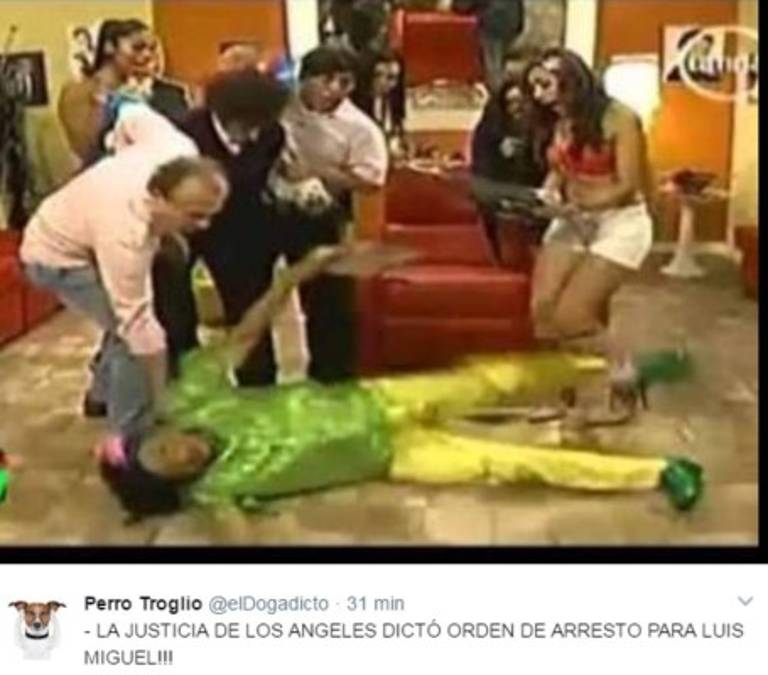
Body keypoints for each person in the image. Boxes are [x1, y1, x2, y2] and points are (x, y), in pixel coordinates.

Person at [95, 246, 703, 519]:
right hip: (392, 455)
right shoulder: (216, 489)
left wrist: (288, 281)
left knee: (493, 381)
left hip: (378, 398)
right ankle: (661, 472)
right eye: (174, 468)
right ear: (181, 485)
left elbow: (243, 337)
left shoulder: (194, 400)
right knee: (509, 462)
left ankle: (617, 368)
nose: (183, 453)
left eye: (166, 446)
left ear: (164, 429)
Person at [20, 105, 229, 452]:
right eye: (194, 216)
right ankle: (130, 438)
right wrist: (161, 401)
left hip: (80, 222)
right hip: (55, 257)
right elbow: (139, 327)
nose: (203, 226)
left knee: (122, 321)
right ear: (158, 197)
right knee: (130, 339)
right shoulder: (126, 236)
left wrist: (116, 150)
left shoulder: (177, 148)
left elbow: (131, 113)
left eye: (210, 215)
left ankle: (100, 395)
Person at [521, 48, 655, 401]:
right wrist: (547, 196)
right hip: (573, 218)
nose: (539, 95)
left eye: (545, 84)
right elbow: (559, 169)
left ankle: (624, 366)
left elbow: (628, 185)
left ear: (571, 80)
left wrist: (583, 204)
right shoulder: (557, 120)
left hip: (620, 222)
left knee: (572, 317)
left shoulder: (620, 118)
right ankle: (563, 396)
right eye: (534, 87)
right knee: (542, 311)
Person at [153, 69, 290, 382]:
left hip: (243, 228)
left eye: (260, 125)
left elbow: (255, 181)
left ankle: (258, 387)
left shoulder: (272, 133)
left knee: (251, 311)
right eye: (247, 126)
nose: (254, 135)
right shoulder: (182, 134)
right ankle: (183, 381)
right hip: (183, 228)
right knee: (173, 309)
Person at [279, 45, 389, 382]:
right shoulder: (279, 107)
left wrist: (317, 171)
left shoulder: (360, 127)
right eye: (326, 81)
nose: (335, 90)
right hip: (267, 207)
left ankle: (332, 376)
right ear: (304, 79)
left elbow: (371, 180)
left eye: (344, 82)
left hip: (321, 214)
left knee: (328, 301)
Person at [470, 71, 549, 262]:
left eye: (522, 102)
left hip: (538, 189)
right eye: (511, 103)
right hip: (499, 188)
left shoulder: (545, 129)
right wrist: (501, 155)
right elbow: (481, 171)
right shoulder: (490, 129)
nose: (517, 108)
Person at [58, 18, 156, 165]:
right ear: (109, 47)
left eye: (152, 49)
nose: (147, 55)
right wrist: (101, 101)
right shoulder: (78, 90)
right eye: (137, 47)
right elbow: (84, 147)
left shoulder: (144, 91)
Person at [448, 0, 525, 93]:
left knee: (493, 67)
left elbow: (462, 6)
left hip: (493, 23)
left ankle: (498, 94)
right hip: (513, 21)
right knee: (497, 61)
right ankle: (502, 89)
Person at [351, 47, 406, 153]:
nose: (382, 81)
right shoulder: (353, 104)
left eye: (391, 77)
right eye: (377, 75)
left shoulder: (393, 101)